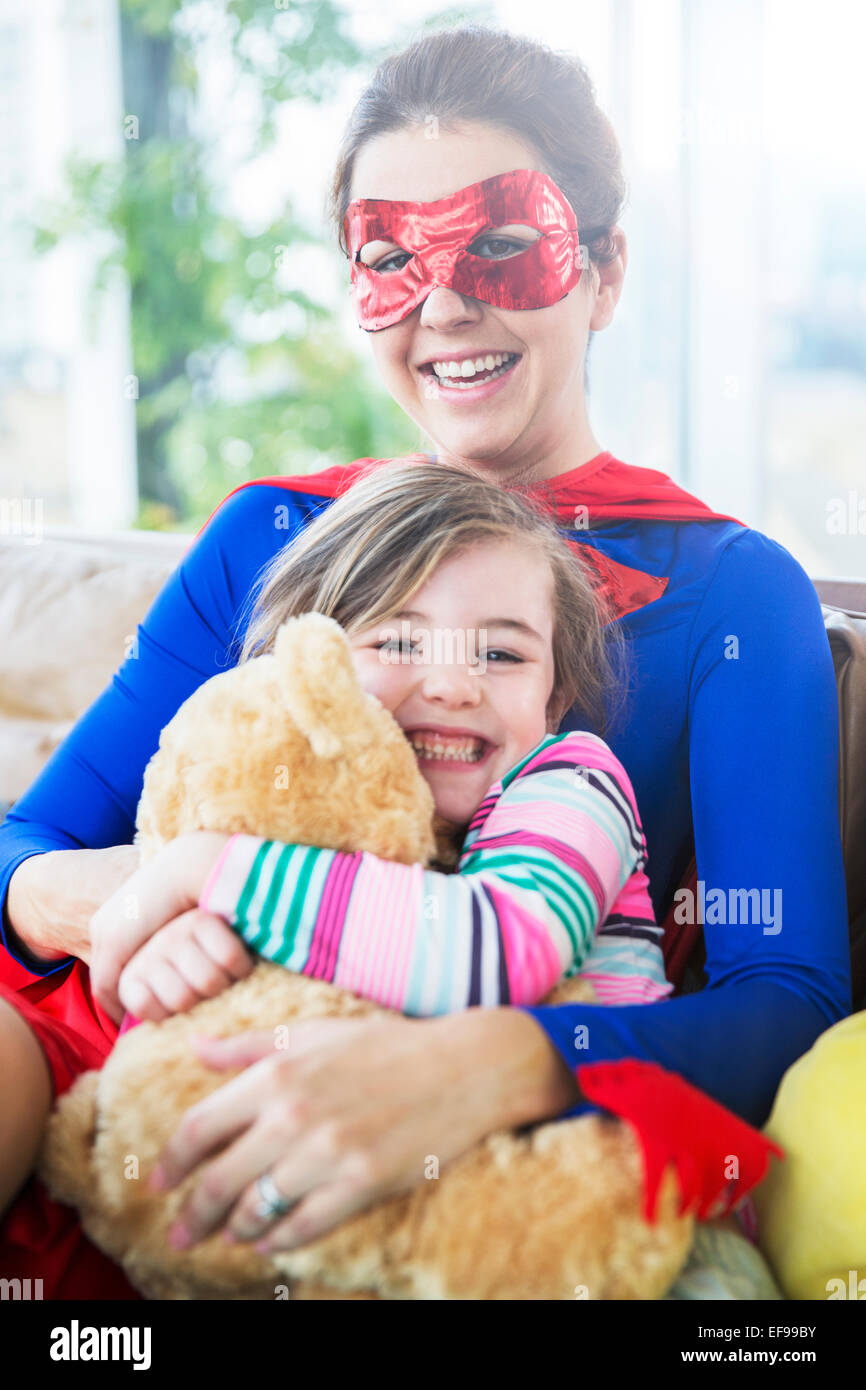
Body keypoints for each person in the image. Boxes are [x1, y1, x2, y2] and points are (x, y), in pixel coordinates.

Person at [0, 25, 850, 1295]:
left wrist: (489, 1060)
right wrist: (149, 900)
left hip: (496, 1157)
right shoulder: (268, 534)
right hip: (146, 1065)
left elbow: (785, 993)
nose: (445, 303)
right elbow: (23, 847)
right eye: (391, 258)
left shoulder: (732, 593)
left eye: (500, 245)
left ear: (605, 270)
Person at [102, 460, 671, 1035]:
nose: (452, 686)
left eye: (501, 654)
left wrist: (207, 868)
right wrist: (190, 949)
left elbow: (502, 956)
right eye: (398, 642)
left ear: (553, 699)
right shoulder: (304, 820)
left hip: (601, 1110)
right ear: (311, 672)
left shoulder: (571, 780)